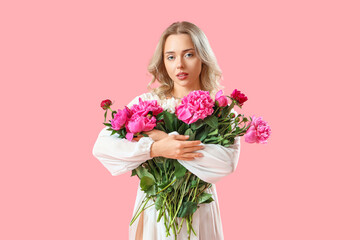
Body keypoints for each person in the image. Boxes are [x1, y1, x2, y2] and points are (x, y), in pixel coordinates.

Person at [92, 21, 241, 240]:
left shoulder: (220, 109)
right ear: (163, 61)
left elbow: (225, 163)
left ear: (203, 57)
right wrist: (156, 148)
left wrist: (168, 140)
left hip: (199, 212)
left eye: (188, 55)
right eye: (170, 57)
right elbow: (103, 146)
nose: (179, 65)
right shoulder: (147, 103)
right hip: (155, 213)